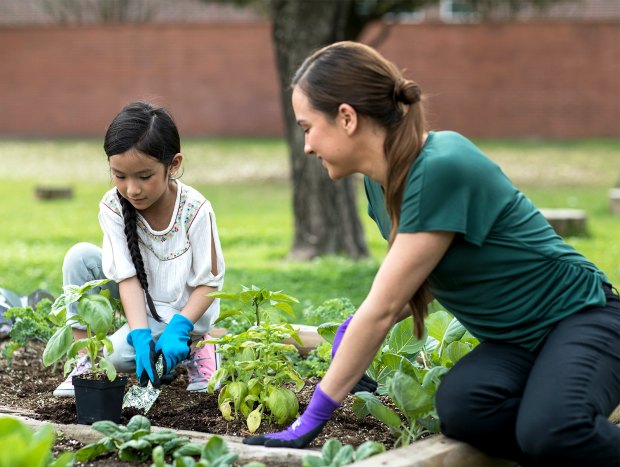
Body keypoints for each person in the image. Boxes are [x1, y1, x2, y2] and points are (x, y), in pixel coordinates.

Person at [243, 41, 620, 467]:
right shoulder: (380, 184)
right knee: (466, 410)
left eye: (307, 126)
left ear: (346, 118)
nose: (307, 145)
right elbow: (407, 286)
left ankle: (564, 436)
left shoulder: (441, 165)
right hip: (515, 342)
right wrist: (351, 331)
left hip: (583, 318)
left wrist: (309, 421)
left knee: (554, 429)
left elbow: (382, 309)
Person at [53, 101, 225, 396]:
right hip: (140, 304)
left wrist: (181, 326)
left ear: (174, 165)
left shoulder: (195, 210)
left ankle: (199, 343)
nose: (132, 189)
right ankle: (84, 360)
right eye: (120, 176)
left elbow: (209, 284)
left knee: (118, 357)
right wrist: (139, 331)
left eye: (144, 177)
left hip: (182, 314)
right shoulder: (113, 206)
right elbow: (126, 276)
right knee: (79, 257)